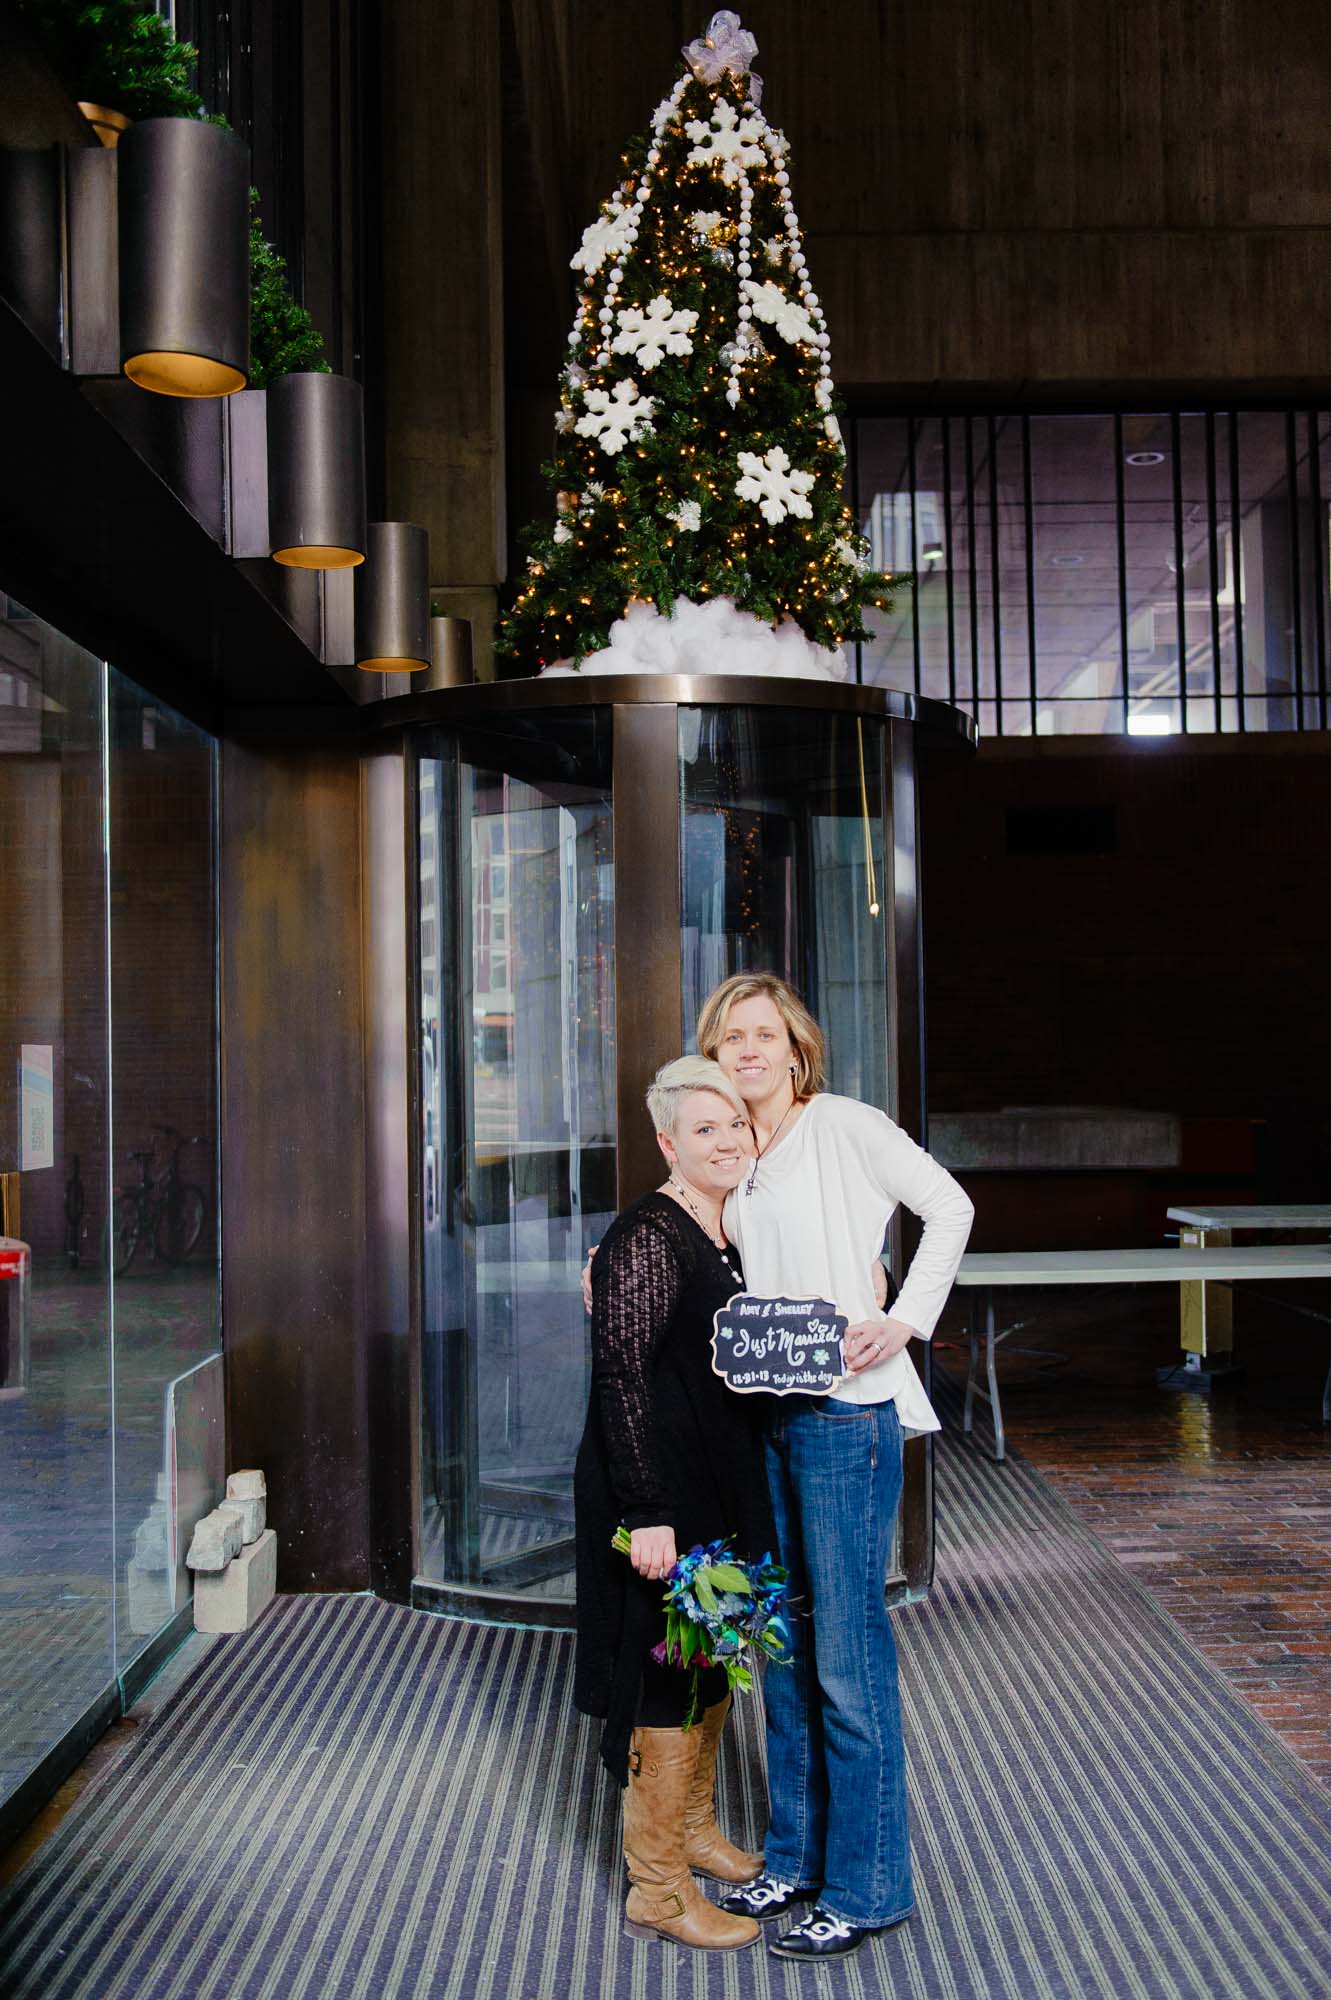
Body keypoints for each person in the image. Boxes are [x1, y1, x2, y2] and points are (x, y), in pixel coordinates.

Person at [694, 972, 974, 1963]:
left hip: (845, 1418)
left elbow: (949, 1206)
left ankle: (865, 1887)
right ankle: (795, 1856)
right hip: (764, 1413)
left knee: (845, 1659)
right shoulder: (737, 1152)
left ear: (796, 1047)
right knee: (782, 1642)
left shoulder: (841, 1124)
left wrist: (906, 1316)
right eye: (729, 1037)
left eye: (761, 1034)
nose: (746, 1049)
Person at [573, 1056, 776, 1953]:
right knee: (666, 1669)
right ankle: (656, 1887)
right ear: (667, 1144)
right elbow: (618, 1374)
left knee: (711, 1655)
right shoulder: (647, 1235)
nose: (726, 1139)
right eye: (705, 1129)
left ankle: (694, 1834)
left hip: (715, 1479)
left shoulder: (727, 1229)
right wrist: (647, 1508)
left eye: (734, 1122)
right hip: (659, 1491)